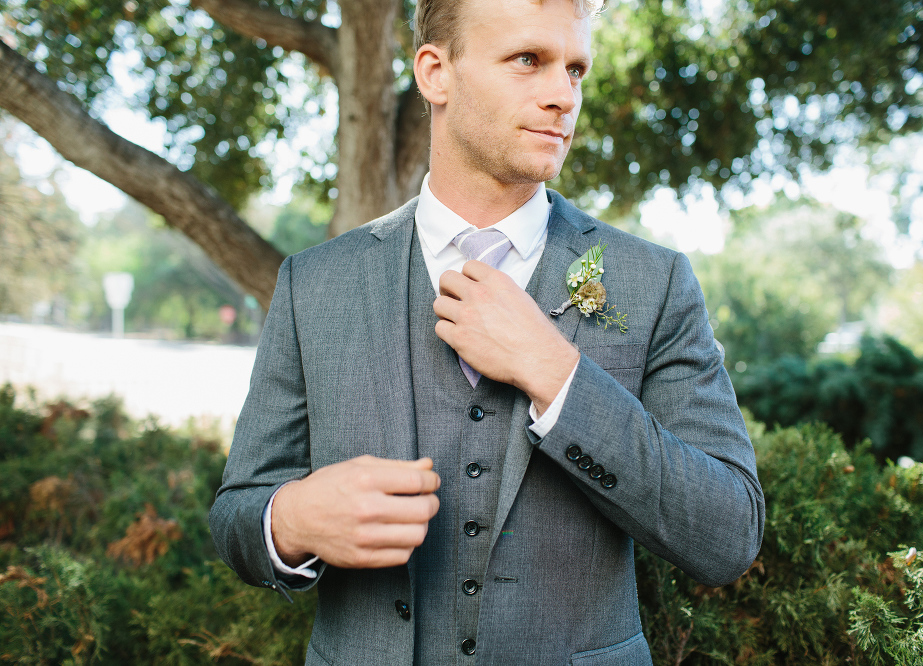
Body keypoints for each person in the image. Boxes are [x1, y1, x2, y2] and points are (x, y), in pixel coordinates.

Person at [209, 0, 764, 663]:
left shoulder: (655, 283)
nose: (563, 96)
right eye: (529, 60)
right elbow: (238, 513)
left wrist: (555, 373)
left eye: (576, 69)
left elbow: (729, 532)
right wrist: (293, 519)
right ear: (436, 72)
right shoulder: (316, 284)